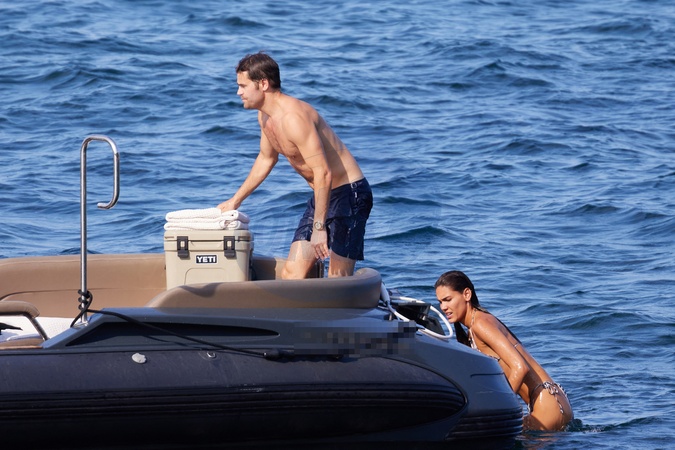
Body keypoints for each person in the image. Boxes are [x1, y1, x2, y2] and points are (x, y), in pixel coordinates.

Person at [218, 52, 372, 279]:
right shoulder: (265, 117)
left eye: (243, 86)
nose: (238, 92)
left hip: (350, 194)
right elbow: (266, 158)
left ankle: (362, 296)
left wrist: (319, 228)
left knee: (337, 278)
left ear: (263, 84)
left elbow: (323, 172)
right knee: (292, 274)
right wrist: (235, 201)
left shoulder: (294, 118)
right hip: (323, 194)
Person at [434, 270, 573, 431]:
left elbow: (520, 367)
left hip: (546, 405)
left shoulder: (480, 324)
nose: (443, 307)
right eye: (440, 302)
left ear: (466, 294)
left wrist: (500, 406)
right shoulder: (475, 326)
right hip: (554, 400)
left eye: (448, 300)